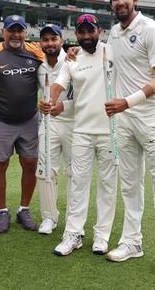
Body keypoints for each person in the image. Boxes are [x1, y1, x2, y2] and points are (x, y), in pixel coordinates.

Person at [103, 0, 155, 281]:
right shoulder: (113, 32)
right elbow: (109, 62)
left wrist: (128, 101)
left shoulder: (151, 29)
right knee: (130, 183)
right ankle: (132, 242)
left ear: (135, 0)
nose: (120, 2)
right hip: (125, 119)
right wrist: (74, 52)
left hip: (151, 117)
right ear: (111, 4)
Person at [41, 14, 117, 256]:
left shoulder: (112, 52)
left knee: (107, 186)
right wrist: (49, 100)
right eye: (81, 32)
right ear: (77, 35)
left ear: (99, 31)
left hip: (109, 131)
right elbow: (59, 86)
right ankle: (73, 234)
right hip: (82, 131)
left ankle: (102, 236)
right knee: (78, 185)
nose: (86, 36)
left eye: (90, 31)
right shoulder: (72, 59)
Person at [0, 15, 43, 233]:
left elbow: (57, 62)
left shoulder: (35, 52)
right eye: (12, 30)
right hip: (1, 121)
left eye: (20, 31)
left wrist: (71, 52)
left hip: (29, 120)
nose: (16, 35)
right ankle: (2, 211)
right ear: (4, 32)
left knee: (30, 163)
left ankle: (24, 209)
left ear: (25, 33)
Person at [35, 24, 74, 235]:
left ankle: (73, 218)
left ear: (61, 40)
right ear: (40, 43)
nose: (50, 43)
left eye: (54, 39)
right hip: (49, 123)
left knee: (73, 172)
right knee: (45, 169)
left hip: (74, 123)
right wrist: (41, 105)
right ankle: (49, 217)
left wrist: (64, 106)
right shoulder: (38, 65)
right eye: (45, 40)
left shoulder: (72, 60)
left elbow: (84, 94)